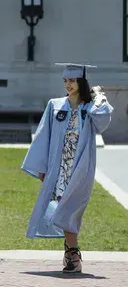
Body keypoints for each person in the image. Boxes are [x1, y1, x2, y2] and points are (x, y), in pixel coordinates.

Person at [21, 63, 113, 274]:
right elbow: (44, 136)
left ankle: (71, 252)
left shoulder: (89, 108)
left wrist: (99, 96)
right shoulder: (55, 105)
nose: (68, 85)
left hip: (80, 165)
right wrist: (42, 166)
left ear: (81, 83)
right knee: (63, 206)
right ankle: (72, 254)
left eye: (72, 81)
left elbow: (104, 120)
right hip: (59, 166)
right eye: (65, 81)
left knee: (71, 208)